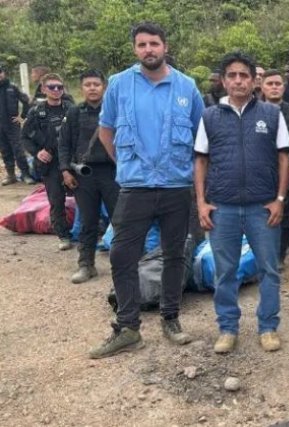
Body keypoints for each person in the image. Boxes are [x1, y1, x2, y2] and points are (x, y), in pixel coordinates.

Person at [88, 21, 204, 359]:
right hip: (135, 187)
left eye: (154, 43)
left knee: (174, 254)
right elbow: (106, 131)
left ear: (165, 46)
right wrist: (126, 166)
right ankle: (128, 328)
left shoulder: (187, 86)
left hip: (176, 186)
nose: (148, 50)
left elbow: (201, 138)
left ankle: (171, 318)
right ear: (135, 49)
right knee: (123, 256)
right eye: (141, 45)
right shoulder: (121, 85)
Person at [194, 52, 289, 354]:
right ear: (223, 81)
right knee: (225, 271)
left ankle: (268, 326)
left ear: (254, 80)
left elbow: (284, 157)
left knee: (269, 269)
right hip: (222, 207)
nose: (238, 80)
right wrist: (201, 202)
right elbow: (200, 160)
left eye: (244, 75)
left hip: (263, 207)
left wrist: (279, 199)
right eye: (232, 75)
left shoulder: (272, 115)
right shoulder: (210, 116)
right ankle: (227, 327)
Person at [58, 69, 120, 284]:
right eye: (87, 84)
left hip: (113, 174)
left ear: (103, 86)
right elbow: (64, 144)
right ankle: (86, 265)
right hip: (84, 175)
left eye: (96, 84)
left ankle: (124, 267)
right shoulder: (74, 112)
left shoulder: (115, 110)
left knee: (120, 221)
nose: (92, 88)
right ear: (81, 88)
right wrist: (66, 170)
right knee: (88, 222)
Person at [21, 73, 74, 249]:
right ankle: (63, 236)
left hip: (72, 161)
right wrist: (37, 153)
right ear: (44, 89)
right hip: (50, 165)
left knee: (85, 197)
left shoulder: (71, 109)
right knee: (57, 200)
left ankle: (90, 230)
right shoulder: (36, 112)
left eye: (59, 87)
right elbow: (24, 137)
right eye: (52, 87)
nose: (56, 90)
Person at [260, 69, 289, 269]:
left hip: (287, 173)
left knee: (283, 215)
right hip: (260, 173)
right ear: (262, 87)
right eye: (270, 84)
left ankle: (279, 257)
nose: (274, 87)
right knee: (259, 214)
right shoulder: (253, 110)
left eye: (278, 84)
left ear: (283, 87)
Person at [0, 64, 33, 185]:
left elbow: (26, 101)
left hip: (12, 124)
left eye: (0, 72)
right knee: (5, 150)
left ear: (4, 73)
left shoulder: (12, 87)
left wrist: (22, 117)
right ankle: (11, 175)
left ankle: (26, 174)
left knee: (18, 149)